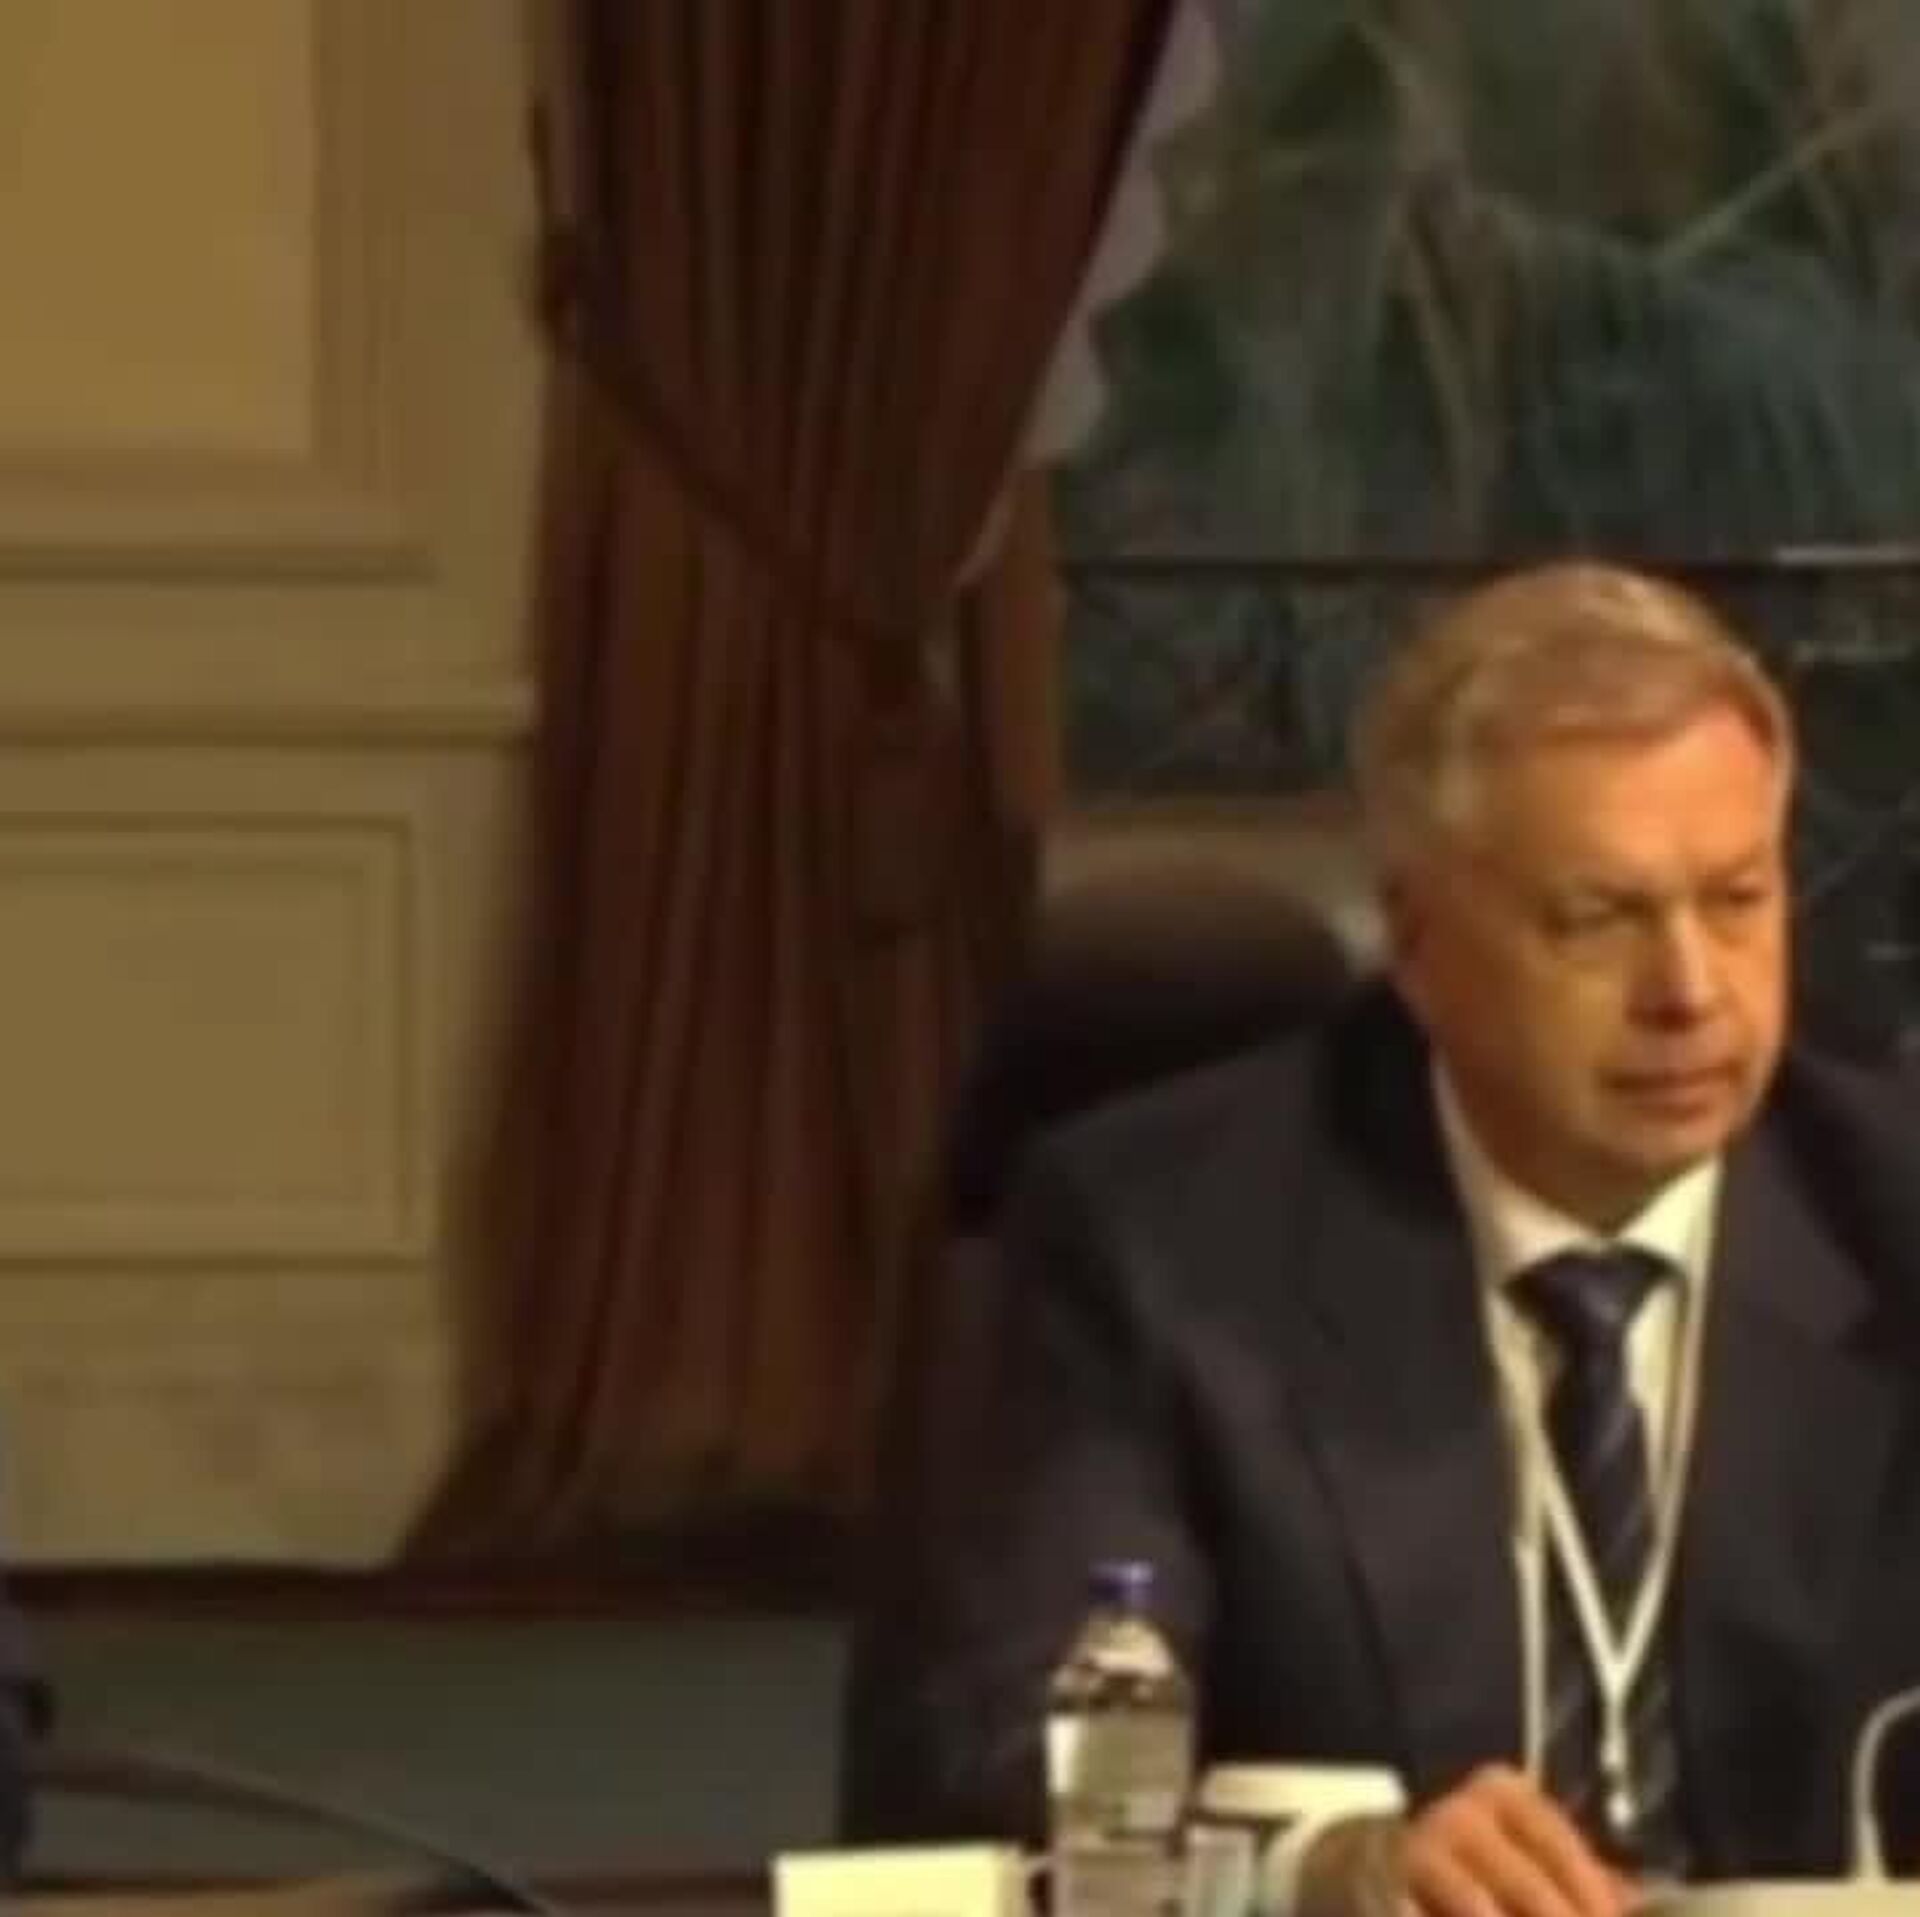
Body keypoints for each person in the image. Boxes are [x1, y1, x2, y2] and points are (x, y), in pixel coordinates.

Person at [837, 562, 1920, 1916]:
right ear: (1417, 943)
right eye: (1597, 919)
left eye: (1738, 899)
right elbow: (1012, 1747)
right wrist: (1331, 1870)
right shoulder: (1157, 1242)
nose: (1691, 992)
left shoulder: (1889, 1208)